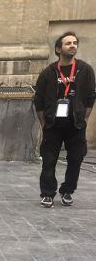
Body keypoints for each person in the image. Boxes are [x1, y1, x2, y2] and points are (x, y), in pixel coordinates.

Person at [34, 31, 95, 208]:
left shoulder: (85, 70)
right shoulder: (49, 72)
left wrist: (84, 118)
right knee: (49, 159)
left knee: (76, 159)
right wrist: (44, 123)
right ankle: (47, 193)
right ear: (59, 48)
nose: (72, 46)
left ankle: (67, 190)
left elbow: (91, 97)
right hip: (53, 124)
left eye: (75, 43)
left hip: (75, 124)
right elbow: (38, 100)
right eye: (68, 43)